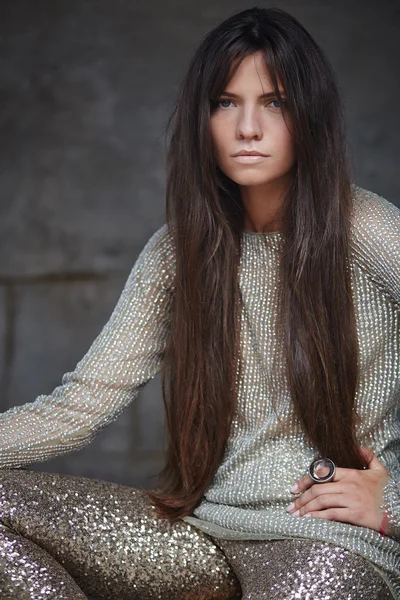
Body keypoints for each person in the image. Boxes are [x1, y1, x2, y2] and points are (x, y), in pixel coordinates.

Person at [0, 6, 398, 600]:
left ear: (310, 113)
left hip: (326, 543)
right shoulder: (179, 251)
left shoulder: (370, 232)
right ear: (201, 118)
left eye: (276, 102)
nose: (247, 128)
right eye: (224, 102)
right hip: (201, 535)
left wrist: (392, 502)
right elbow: (82, 402)